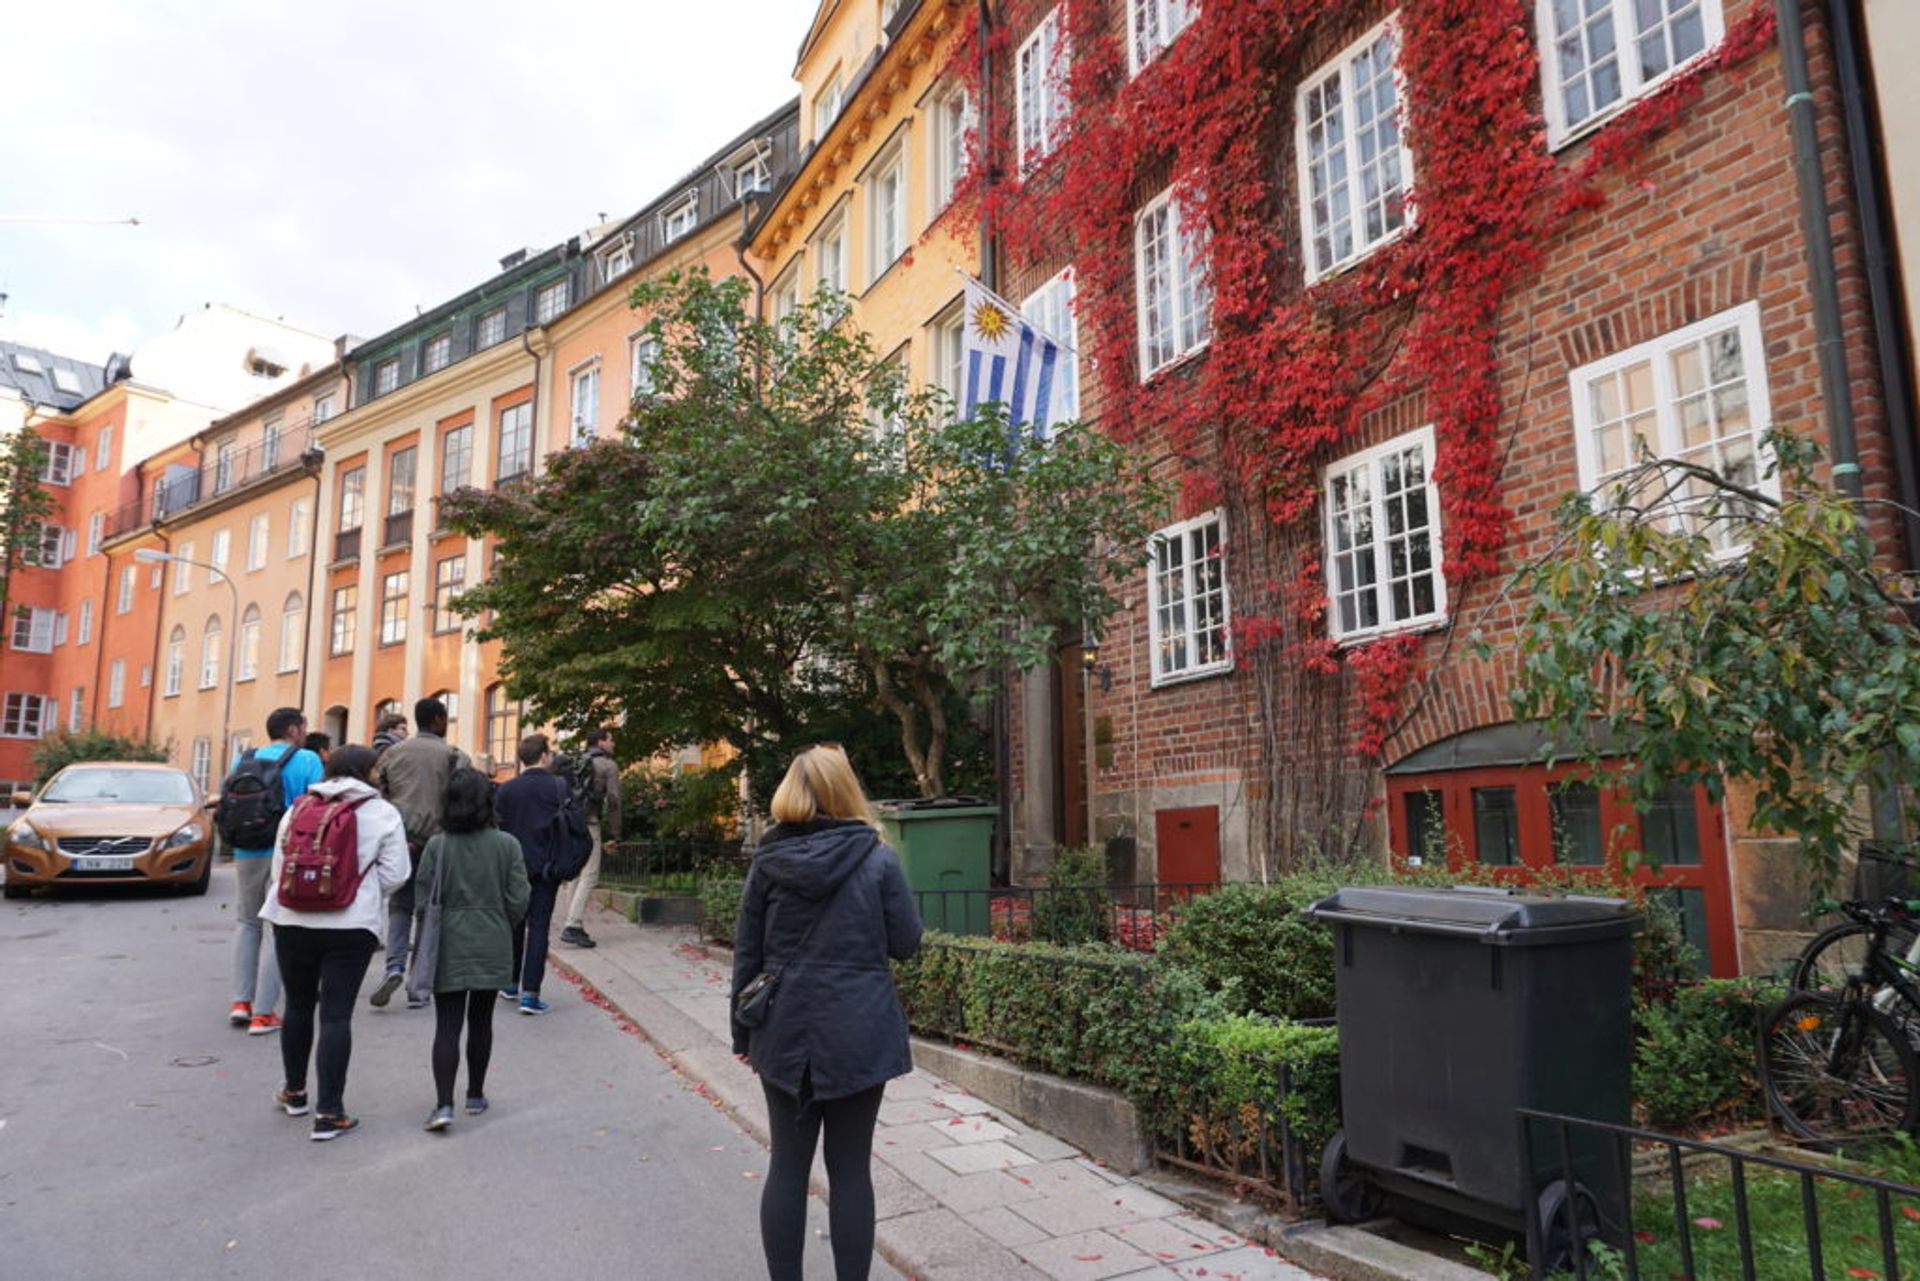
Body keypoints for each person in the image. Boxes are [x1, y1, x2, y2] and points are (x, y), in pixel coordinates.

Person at [730, 744, 922, 1281]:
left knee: (787, 1168)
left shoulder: (768, 862)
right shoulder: (878, 859)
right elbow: (907, 943)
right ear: (846, 790)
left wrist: (743, 1037)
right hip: (859, 1029)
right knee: (851, 1170)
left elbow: (747, 953)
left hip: (783, 1028)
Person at [261, 745, 410, 1141]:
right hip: (351, 924)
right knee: (336, 1014)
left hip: (291, 918)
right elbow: (397, 874)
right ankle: (329, 1112)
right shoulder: (381, 813)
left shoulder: (298, 809)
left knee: (297, 1004)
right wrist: (364, 893)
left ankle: (295, 1092)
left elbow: (280, 867)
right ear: (368, 772)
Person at [414, 767, 529, 1131]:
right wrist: (499, 920)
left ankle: (443, 1104)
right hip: (492, 936)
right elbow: (519, 897)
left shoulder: (438, 844)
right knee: (482, 1020)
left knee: (447, 1025)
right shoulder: (506, 844)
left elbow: (422, 896)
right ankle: (475, 1095)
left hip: (449, 938)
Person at [226, 707, 324, 1036]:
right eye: (304, 727)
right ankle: (264, 1013)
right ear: (294, 730)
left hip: (246, 847)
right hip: (287, 849)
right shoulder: (308, 759)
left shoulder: (244, 758)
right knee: (276, 926)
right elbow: (316, 805)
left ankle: (241, 1002)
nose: (306, 732)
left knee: (247, 922)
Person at [368, 697, 470, 1010]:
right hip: (439, 843)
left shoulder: (391, 754)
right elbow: (466, 799)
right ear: (439, 720)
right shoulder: (455, 756)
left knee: (400, 906)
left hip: (402, 841)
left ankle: (394, 965)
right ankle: (419, 983)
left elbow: (378, 794)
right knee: (430, 911)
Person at [495, 733, 575, 1016]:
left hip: (513, 867)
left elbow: (498, 828)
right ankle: (531, 994)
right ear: (543, 755)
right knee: (539, 927)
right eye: (550, 753)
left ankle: (510, 982)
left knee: (514, 925)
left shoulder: (506, 790)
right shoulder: (558, 787)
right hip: (546, 867)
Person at [559, 727, 622, 950]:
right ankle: (572, 925)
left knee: (574, 875)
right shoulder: (608, 765)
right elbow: (613, 800)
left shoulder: (576, 760)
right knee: (590, 875)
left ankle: (571, 921)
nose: (613, 744)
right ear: (602, 742)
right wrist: (616, 833)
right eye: (611, 740)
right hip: (590, 824)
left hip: (569, 823)